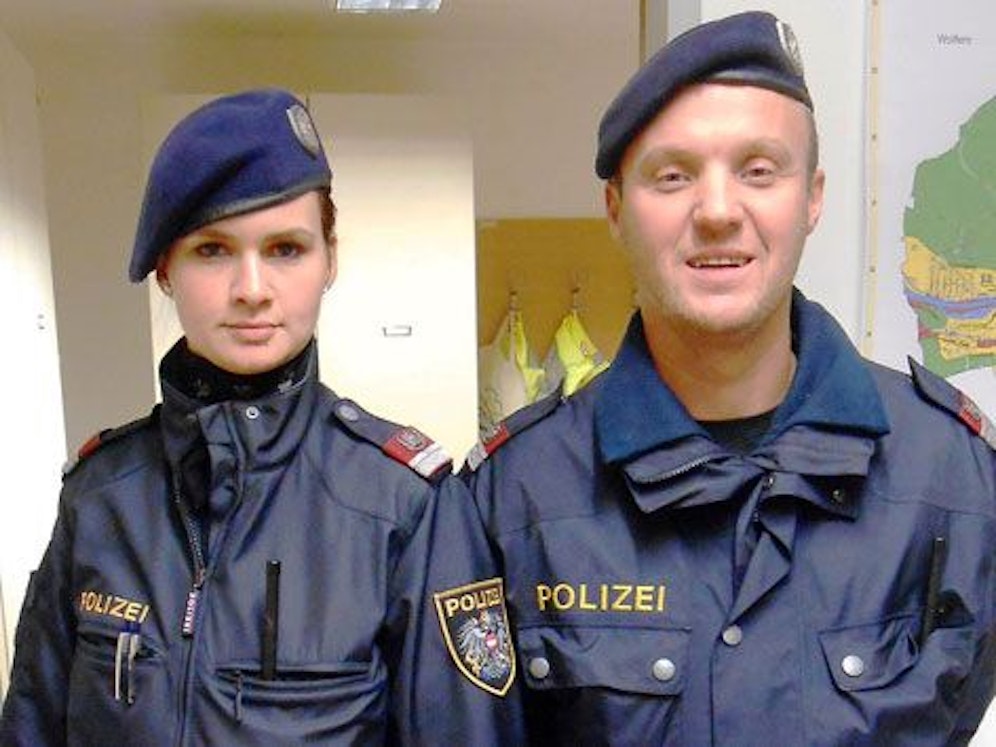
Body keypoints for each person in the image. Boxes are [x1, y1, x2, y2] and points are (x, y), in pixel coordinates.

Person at [463, 11, 996, 746]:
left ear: (812, 198)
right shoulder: (514, 496)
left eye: (758, 170)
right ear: (616, 209)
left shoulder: (952, 478)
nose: (717, 211)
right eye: (673, 176)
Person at [1, 88, 522, 745]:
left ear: (330, 260)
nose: (251, 290)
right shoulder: (99, 497)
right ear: (165, 269)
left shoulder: (407, 507)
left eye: (285, 249)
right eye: (212, 250)